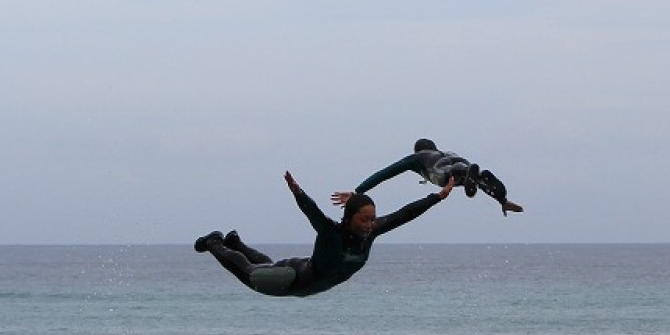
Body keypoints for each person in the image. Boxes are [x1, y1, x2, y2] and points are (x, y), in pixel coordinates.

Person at [195, 170, 452, 298]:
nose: (369, 224)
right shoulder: (331, 233)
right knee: (253, 275)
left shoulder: (371, 232)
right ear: (349, 218)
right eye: (364, 220)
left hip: (309, 280)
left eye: (372, 219)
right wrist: (298, 192)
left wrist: (438, 197)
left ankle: (236, 242)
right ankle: (215, 242)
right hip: (295, 278)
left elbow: (404, 214)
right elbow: (312, 212)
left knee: (266, 265)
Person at [337, 138, 523, 216]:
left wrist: (358, 191)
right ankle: (502, 197)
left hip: (442, 173)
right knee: (473, 176)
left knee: (446, 174)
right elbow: (472, 183)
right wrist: (501, 200)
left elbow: (386, 173)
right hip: (462, 165)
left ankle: (467, 174)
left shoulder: (417, 158)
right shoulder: (447, 152)